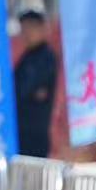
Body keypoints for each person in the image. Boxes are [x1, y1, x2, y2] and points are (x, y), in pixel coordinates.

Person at [13, 10, 58, 158]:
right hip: (20, 133)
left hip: (36, 133)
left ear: (42, 28)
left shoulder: (46, 58)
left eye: (31, 28)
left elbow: (26, 89)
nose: (26, 34)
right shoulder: (26, 58)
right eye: (23, 29)